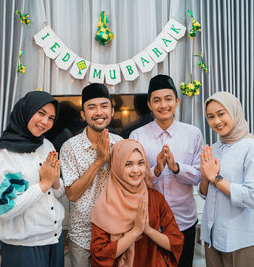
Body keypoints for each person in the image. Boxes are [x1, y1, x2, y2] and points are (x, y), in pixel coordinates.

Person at [0, 91, 65, 267]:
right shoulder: (2, 154)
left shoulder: (47, 145)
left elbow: (58, 193)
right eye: (41, 113)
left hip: (55, 237)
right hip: (23, 245)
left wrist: (54, 181)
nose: (45, 122)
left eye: (51, 118)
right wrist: (43, 184)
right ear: (25, 110)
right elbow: (3, 211)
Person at [129, 74, 203, 267]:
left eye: (168, 99)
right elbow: (133, 180)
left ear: (176, 101)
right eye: (157, 100)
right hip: (150, 221)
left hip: (184, 220)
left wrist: (176, 168)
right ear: (149, 104)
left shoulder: (193, 134)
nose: (163, 105)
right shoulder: (137, 136)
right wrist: (157, 169)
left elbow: (198, 176)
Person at [90, 139, 184, 267]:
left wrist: (148, 230)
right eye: (128, 164)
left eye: (140, 163)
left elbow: (176, 241)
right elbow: (100, 253)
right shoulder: (106, 203)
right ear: (117, 166)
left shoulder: (155, 198)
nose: (136, 170)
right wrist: (135, 232)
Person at [199, 91, 254, 267]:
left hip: (241, 238)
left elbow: (252, 197)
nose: (216, 121)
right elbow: (205, 195)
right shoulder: (214, 148)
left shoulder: (252, 148)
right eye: (210, 117)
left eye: (221, 114)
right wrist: (205, 177)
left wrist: (216, 178)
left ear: (234, 111)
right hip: (212, 235)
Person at [60, 83, 123, 267]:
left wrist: (110, 160)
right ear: (83, 114)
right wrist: (98, 162)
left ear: (112, 111)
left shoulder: (121, 144)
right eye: (91, 107)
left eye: (104, 106)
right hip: (81, 233)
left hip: (114, 230)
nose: (99, 112)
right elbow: (72, 194)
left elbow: (127, 187)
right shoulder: (70, 147)